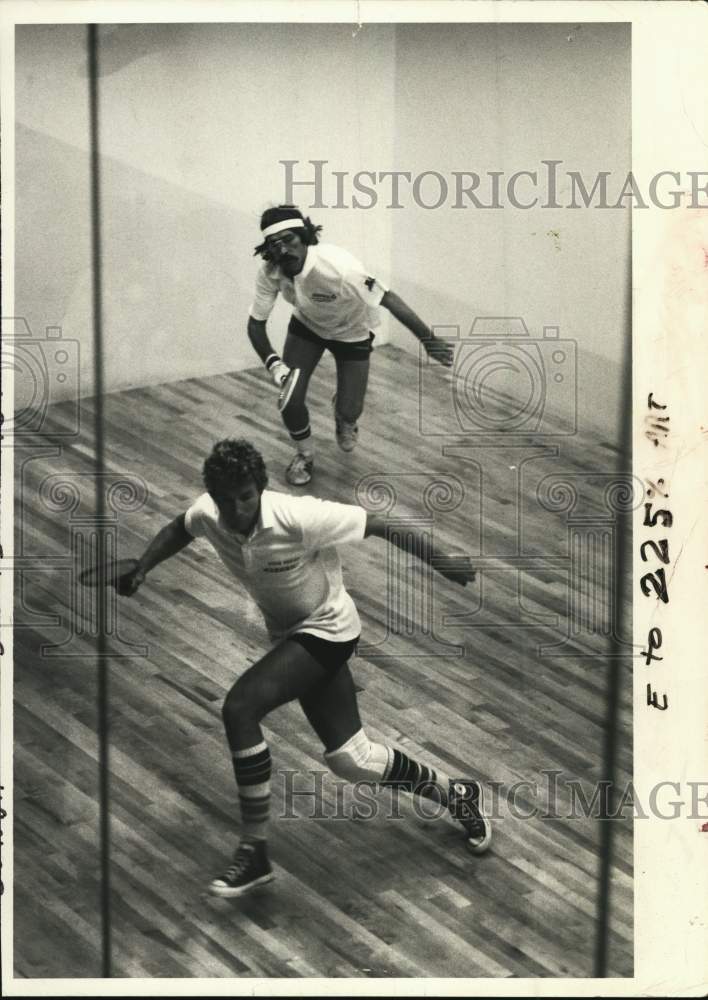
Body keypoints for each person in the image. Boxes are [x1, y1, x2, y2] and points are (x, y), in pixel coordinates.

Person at [119, 438, 491, 897]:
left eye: (246, 496)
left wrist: (443, 560)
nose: (236, 508)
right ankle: (454, 794)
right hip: (291, 634)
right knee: (351, 760)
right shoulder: (208, 513)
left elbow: (376, 523)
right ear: (213, 497)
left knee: (240, 708)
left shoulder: (298, 516)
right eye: (226, 499)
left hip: (329, 630)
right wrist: (143, 567)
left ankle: (254, 850)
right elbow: (180, 527)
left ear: (261, 488)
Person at [248, 204, 455, 486]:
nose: (283, 249)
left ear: (304, 236)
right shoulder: (269, 273)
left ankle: (344, 416)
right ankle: (304, 455)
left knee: (350, 410)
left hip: (352, 332)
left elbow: (389, 299)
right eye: (275, 243)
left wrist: (428, 341)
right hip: (307, 328)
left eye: (289, 239)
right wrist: (275, 367)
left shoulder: (340, 269)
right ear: (268, 249)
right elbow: (255, 325)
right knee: (290, 399)